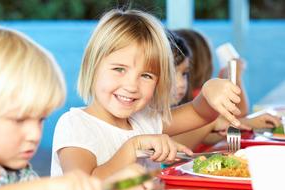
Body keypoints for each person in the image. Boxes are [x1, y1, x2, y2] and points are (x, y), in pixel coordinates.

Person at [51, 9, 243, 180]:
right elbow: (85, 187)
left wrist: (209, 92)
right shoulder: (75, 125)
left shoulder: (145, 119)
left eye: (146, 75)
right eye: (119, 69)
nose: (132, 85)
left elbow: (200, 113)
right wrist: (133, 147)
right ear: (92, 68)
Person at [0, 24, 104, 190]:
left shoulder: (20, 172)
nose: (34, 134)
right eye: (19, 120)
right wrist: (47, 188)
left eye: (40, 119)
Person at [172, 29, 281, 149]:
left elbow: (205, 134)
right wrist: (235, 76)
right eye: (171, 73)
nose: (181, 83)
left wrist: (245, 123)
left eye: (184, 74)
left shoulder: (186, 105)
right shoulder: (197, 99)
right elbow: (178, 141)